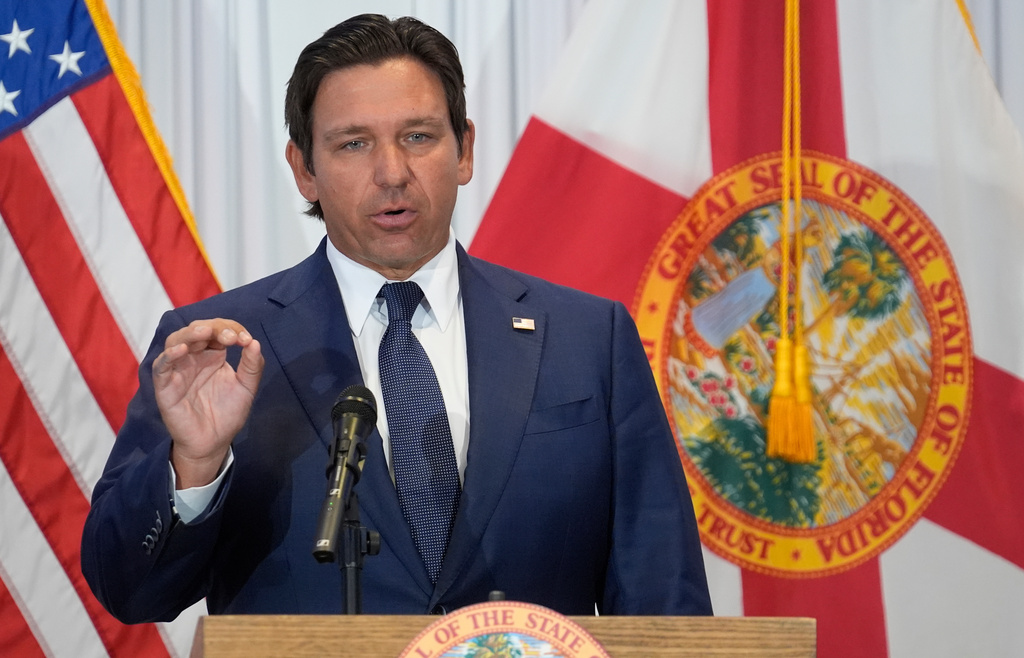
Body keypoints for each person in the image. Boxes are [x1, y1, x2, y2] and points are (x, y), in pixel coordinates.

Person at [81, 13, 712, 622]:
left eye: (418, 136)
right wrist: (194, 464)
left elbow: (664, 602)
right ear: (304, 170)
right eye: (353, 144)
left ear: (463, 150)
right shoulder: (219, 347)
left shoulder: (587, 339)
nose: (392, 173)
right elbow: (129, 594)